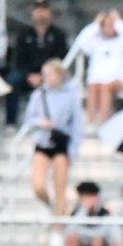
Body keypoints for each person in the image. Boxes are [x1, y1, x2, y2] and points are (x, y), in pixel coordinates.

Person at [24, 59, 82, 217]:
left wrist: (73, 150)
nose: (47, 78)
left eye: (50, 74)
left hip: (61, 144)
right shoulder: (39, 94)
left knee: (60, 190)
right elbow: (29, 118)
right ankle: (51, 206)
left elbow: (77, 126)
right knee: (38, 186)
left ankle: (58, 223)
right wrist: (40, 122)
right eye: (45, 75)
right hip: (43, 142)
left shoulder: (70, 96)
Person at [7, 0, 68, 128]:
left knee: (65, 85)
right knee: (11, 82)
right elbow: (18, 59)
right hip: (27, 74)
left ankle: (58, 120)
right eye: (38, 9)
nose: (41, 13)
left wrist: (45, 75)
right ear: (32, 12)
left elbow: (60, 58)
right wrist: (29, 75)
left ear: (50, 12)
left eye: (44, 9)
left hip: (50, 74)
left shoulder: (58, 35)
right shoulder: (23, 34)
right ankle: (11, 122)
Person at [71, 10, 123, 126]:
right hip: (97, 82)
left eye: (111, 25)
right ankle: (90, 124)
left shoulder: (121, 43)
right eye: (105, 25)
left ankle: (104, 123)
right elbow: (80, 42)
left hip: (117, 82)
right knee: (93, 87)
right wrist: (95, 24)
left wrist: (119, 21)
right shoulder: (96, 43)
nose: (109, 28)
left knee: (105, 87)